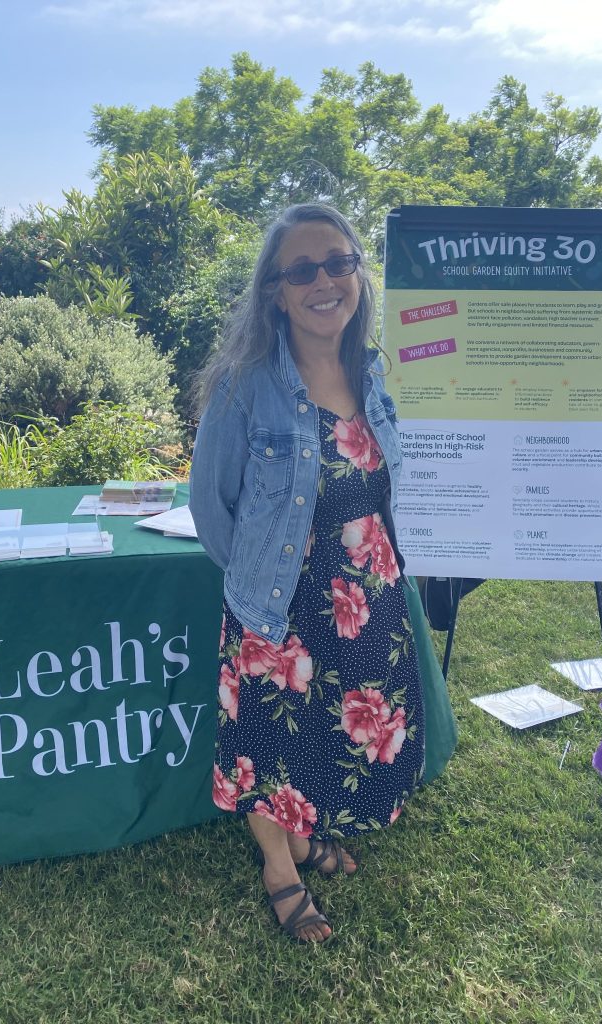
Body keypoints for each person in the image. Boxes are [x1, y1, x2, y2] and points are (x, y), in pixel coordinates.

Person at [189, 203, 425, 944]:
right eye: (303, 269)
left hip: (369, 595)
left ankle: (305, 832)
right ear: (277, 291)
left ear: (358, 272)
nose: (325, 280)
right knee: (268, 738)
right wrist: (263, 580)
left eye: (339, 262)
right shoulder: (245, 381)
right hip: (280, 601)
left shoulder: (371, 367)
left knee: (329, 730)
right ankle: (280, 869)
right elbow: (210, 504)